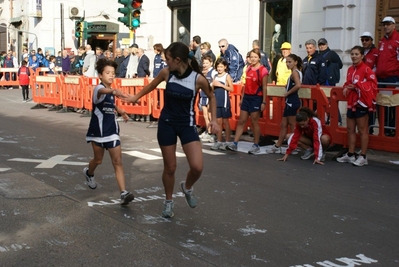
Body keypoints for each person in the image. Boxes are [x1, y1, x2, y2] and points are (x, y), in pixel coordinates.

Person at [121, 42, 220, 218]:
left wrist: (213, 120)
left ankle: (187, 187)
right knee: (170, 167)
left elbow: (211, 97)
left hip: (186, 124)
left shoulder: (198, 79)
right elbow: (151, 86)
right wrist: (134, 97)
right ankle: (168, 201)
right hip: (167, 123)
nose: (165, 63)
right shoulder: (167, 73)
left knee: (197, 167)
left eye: (168, 59)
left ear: (178, 59)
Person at [84, 58, 134, 205]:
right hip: (98, 131)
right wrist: (114, 91)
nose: (111, 75)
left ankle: (124, 193)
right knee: (98, 160)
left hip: (112, 131)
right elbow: (104, 92)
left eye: (113, 73)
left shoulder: (110, 93)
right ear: (100, 75)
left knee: (117, 161)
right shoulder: (98, 89)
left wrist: (120, 110)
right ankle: (89, 172)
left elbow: (110, 104)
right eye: (108, 73)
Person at [336, 46, 377, 167]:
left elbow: (373, 85)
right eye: (352, 54)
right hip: (351, 102)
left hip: (362, 103)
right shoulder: (349, 69)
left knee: (363, 130)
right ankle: (350, 153)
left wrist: (357, 86)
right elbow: (348, 83)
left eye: (356, 54)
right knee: (350, 129)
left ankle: (363, 156)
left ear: (362, 56)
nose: (353, 56)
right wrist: (345, 87)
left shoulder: (367, 69)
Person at [226, 48, 268, 154]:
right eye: (251, 57)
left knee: (254, 121)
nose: (253, 59)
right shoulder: (248, 68)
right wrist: (242, 98)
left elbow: (264, 87)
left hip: (256, 98)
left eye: (255, 57)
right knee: (242, 121)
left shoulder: (263, 70)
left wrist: (264, 102)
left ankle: (256, 145)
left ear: (259, 58)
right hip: (247, 98)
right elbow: (245, 85)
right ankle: (235, 143)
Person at [267, 54, 302, 154]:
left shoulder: (295, 73)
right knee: (284, 124)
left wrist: (288, 92)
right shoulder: (295, 72)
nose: (287, 64)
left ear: (295, 62)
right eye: (286, 62)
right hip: (290, 101)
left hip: (292, 101)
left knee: (292, 125)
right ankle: (278, 144)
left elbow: (298, 85)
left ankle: (293, 145)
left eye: (290, 62)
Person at [375, 16, 399, 136]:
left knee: (392, 104)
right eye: (384, 24)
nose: (385, 26)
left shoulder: (398, 39)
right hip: (381, 79)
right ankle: (383, 129)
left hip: (392, 78)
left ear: (394, 25)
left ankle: (392, 129)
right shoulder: (382, 41)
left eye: (388, 24)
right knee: (381, 104)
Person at [210, 57, 233, 150]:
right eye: (218, 66)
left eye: (221, 66)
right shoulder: (215, 76)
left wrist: (221, 85)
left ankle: (227, 141)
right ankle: (219, 141)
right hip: (217, 101)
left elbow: (231, 88)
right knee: (218, 122)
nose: (219, 68)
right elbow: (212, 89)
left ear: (225, 67)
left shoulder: (227, 76)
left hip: (224, 101)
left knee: (225, 122)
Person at [359, 31, 379, 134]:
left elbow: (378, 67)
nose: (364, 42)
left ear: (371, 40)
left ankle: (370, 128)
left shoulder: (376, 52)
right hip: (361, 85)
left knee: (371, 106)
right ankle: (363, 128)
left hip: (370, 84)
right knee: (361, 106)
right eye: (362, 40)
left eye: (366, 40)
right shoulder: (360, 51)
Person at [199, 55, 217, 143]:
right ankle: (208, 131)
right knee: (205, 115)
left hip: (209, 95)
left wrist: (210, 87)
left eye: (207, 63)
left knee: (210, 115)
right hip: (203, 94)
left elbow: (215, 82)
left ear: (211, 63)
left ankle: (213, 133)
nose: (205, 65)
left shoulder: (213, 72)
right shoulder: (203, 72)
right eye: (204, 63)